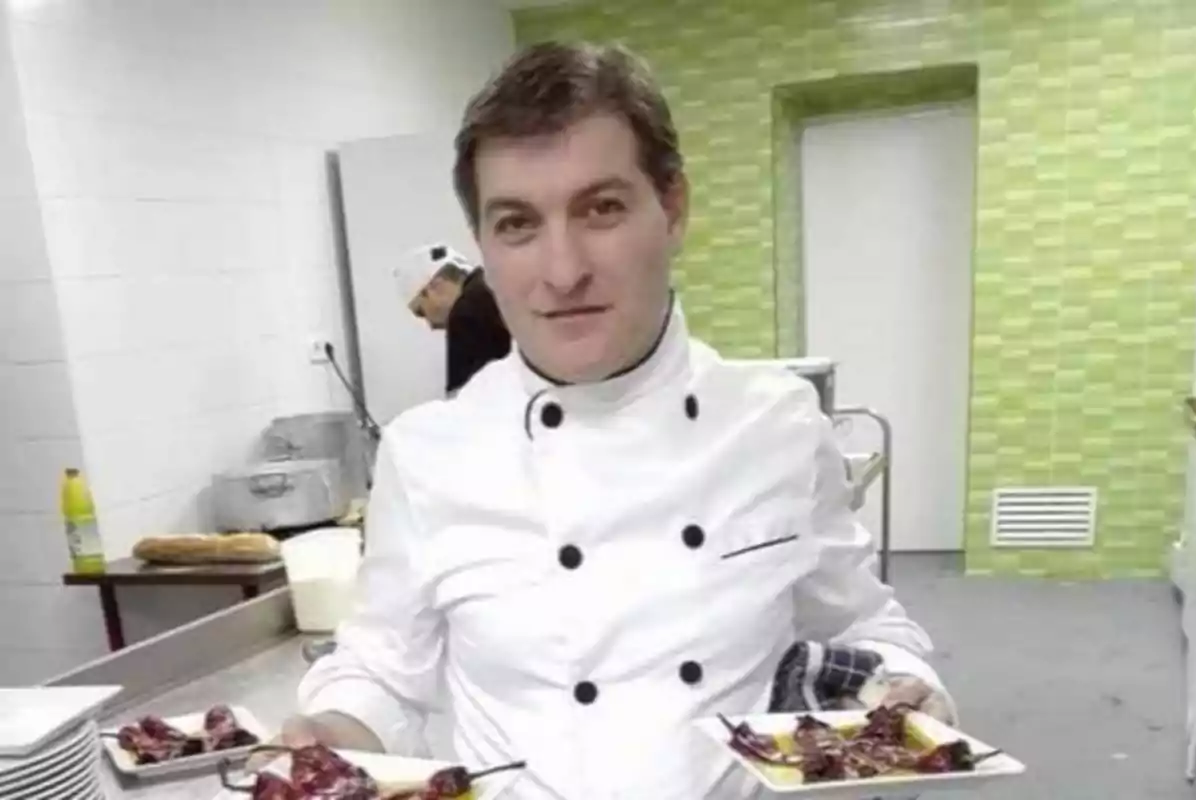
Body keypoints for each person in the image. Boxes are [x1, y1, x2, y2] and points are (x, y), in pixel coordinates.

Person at [275, 41, 955, 799]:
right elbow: (383, 671)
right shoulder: (426, 451)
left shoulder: (779, 426)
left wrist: (907, 689)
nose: (563, 271)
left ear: (673, 209)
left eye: (600, 209)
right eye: (517, 224)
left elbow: (863, 631)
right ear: (484, 247)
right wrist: (331, 732)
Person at [397, 242, 512, 395]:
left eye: (421, 311)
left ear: (435, 287)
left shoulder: (465, 314)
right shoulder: (499, 284)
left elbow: (461, 405)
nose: (430, 325)